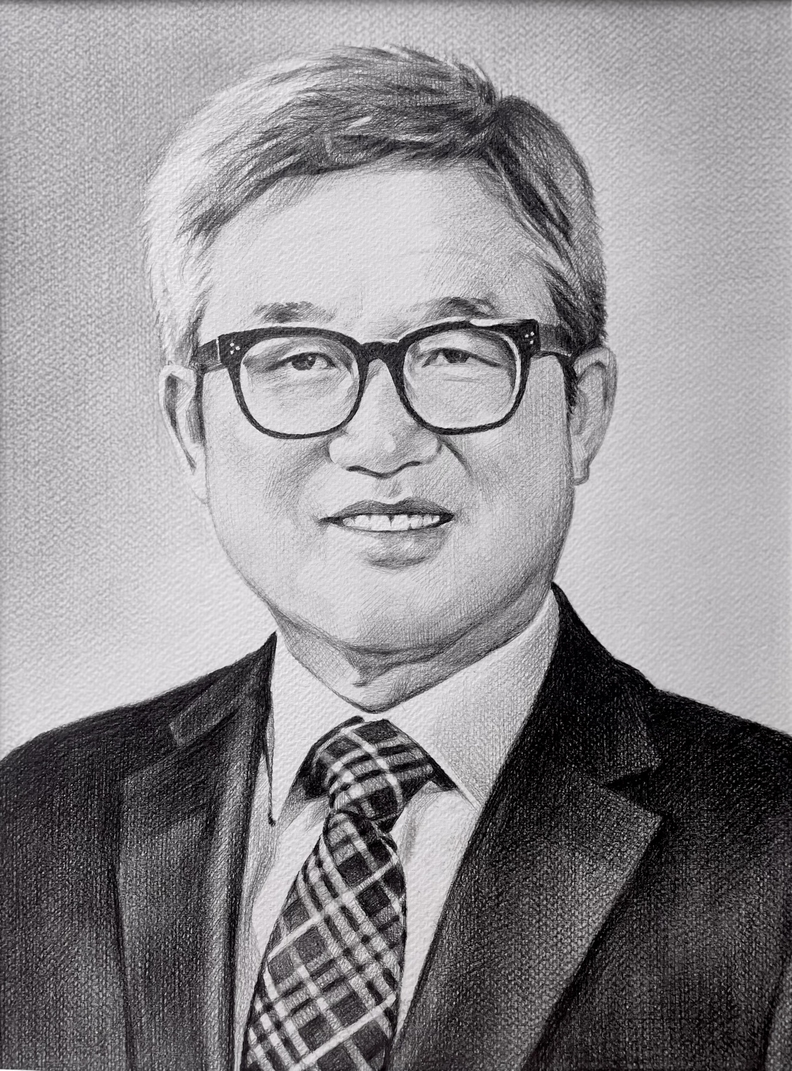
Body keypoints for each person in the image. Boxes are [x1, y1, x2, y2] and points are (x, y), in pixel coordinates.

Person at [1, 45, 789, 1071]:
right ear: (192, 427)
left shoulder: (770, 850)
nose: (379, 440)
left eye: (455, 352)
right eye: (297, 359)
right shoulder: (35, 820)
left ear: (582, 410)